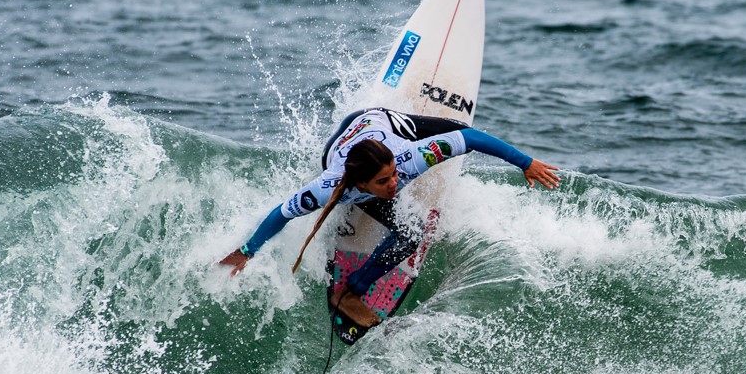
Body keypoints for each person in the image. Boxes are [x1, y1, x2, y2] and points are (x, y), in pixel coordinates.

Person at [220, 107, 560, 327]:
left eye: (395, 175)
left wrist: (525, 162)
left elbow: (470, 139)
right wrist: (247, 252)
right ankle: (350, 293)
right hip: (346, 138)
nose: (395, 184)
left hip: (387, 123)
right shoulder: (327, 187)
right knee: (411, 235)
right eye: (384, 182)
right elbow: (281, 214)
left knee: (458, 128)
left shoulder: (412, 157)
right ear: (360, 183)